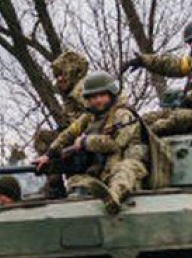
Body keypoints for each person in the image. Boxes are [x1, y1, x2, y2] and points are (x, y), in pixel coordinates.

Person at [34, 71, 148, 215]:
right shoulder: (90, 117)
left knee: (124, 171)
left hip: (127, 161)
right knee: (77, 181)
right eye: (93, 97)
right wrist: (48, 155)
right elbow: (68, 134)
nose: (98, 100)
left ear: (111, 95)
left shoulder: (123, 114)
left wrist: (86, 141)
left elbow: (116, 144)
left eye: (102, 95)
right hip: (101, 168)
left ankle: (113, 197)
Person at [34, 50, 90, 198]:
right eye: (57, 76)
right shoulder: (70, 93)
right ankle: (54, 184)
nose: (59, 79)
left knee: (46, 137)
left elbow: (94, 117)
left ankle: (55, 188)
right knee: (45, 137)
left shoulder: (82, 89)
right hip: (74, 135)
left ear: (73, 73)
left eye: (63, 74)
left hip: (86, 139)